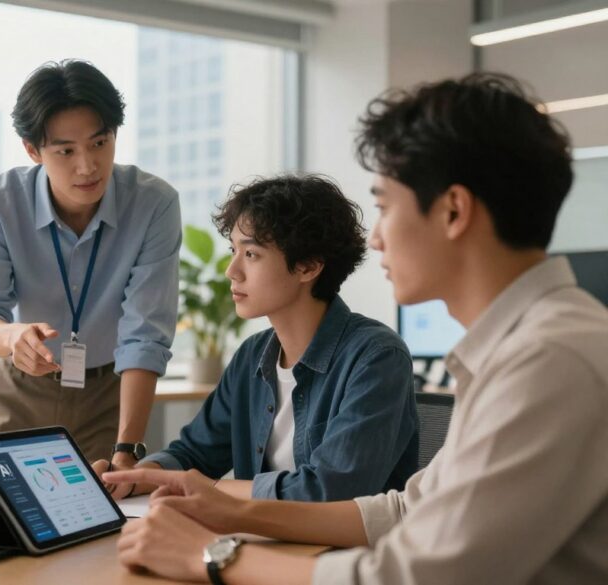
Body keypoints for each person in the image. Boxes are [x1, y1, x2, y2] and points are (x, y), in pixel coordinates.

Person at [105, 73, 608, 585]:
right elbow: (405, 511)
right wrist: (228, 511)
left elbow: (421, 575)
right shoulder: (520, 350)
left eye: (386, 207)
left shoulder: (551, 359)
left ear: (454, 210)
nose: (378, 238)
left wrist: (214, 556)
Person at [94, 175, 418, 503]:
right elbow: (194, 454)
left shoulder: (376, 357)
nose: (231, 270)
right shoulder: (253, 355)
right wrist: (133, 479)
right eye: (234, 250)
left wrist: (209, 490)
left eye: (251, 254)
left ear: (308, 266)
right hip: (262, 541)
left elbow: (330, 491)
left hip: (344, 552)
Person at [0, 60, 181, 466]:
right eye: (65, 150)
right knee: (1, 520)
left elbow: (145, 335)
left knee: (108, 516)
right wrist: (13, 338)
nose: (87, 166)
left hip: (110, 392)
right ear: (33, 150)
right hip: (22, 385)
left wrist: (127, 447)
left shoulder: (154, 204)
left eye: (100, 143)